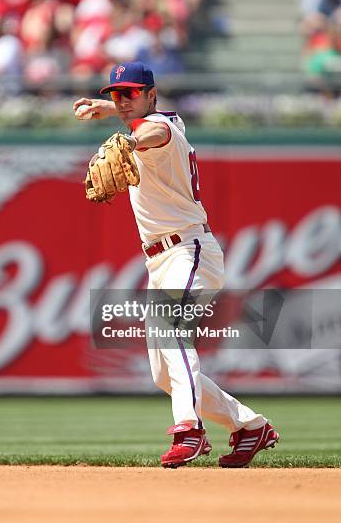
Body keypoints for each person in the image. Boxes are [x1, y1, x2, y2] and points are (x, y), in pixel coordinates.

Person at [73, 61, 279, 468]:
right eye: (116, 94)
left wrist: (128, 142)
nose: (122, 100)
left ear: (152, 94)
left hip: (190, 251)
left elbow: (154, 130)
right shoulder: (158, 120)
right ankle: (249, 426)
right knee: (163, 373)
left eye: (131, 93)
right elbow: (144, 120)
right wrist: (112, 112)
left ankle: (190, 430)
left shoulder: (162, 129)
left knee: (171, 331)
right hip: (160, 259)